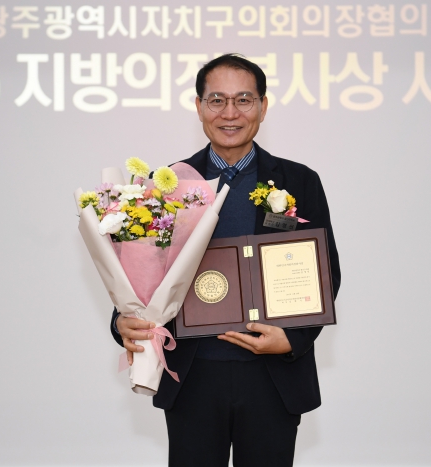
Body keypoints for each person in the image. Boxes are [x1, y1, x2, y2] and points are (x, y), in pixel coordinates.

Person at [110, 54, 341, 467]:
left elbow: (326, 273)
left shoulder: (299, 181)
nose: (230, 113)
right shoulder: (167, 183)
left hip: (271, 374)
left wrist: (294, 339)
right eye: (216, 100)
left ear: (263, 106)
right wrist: (123, 320)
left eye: (244, 100)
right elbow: (139, 270)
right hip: (192, 372)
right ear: (199, 107)